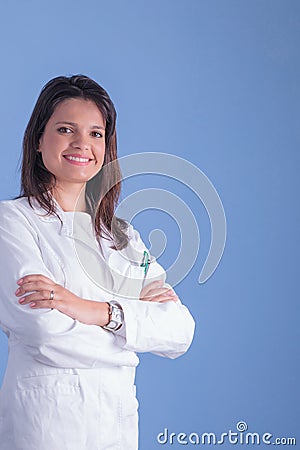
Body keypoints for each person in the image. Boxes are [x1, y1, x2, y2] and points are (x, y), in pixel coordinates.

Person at [0, 75, 195, 450]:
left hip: (116, 423)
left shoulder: (122, 236)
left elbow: (179, 331)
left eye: (95, 134)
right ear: (39, 140)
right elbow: (45, 333)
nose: (81, 144)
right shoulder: (12, 222)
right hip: (45, 425)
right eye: (65, 129)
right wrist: (132, 334)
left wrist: (89, 310)